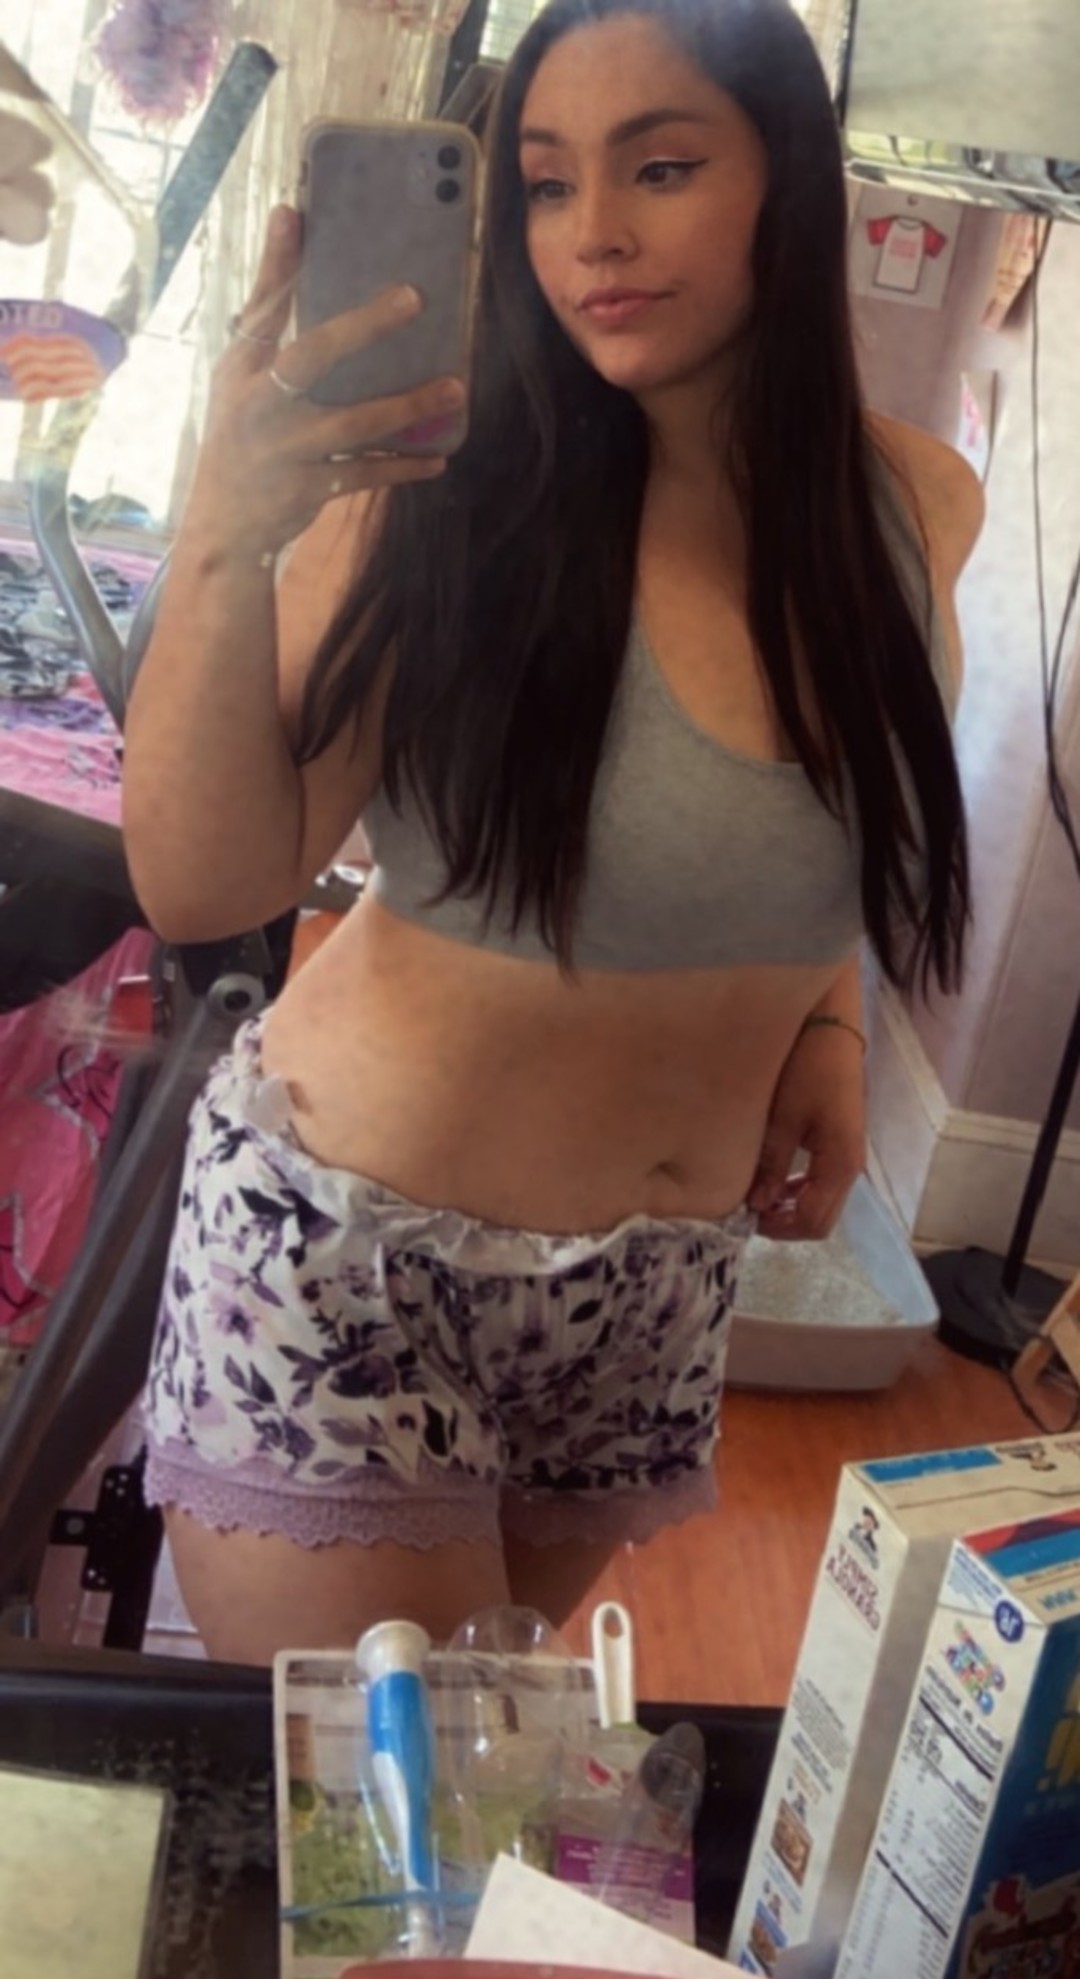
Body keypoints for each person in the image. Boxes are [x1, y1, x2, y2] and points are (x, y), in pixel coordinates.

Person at [123, 0, 985, 1665]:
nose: (590, 233)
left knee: (498, 1756)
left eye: (658, 168)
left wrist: (826, 1024)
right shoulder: (433, 493)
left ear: (788, 181)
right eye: (541, 181)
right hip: (357, 1263)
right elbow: (205, 879)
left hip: (652, 1300)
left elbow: (815, 814)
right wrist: (224, 541)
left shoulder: (916, 506)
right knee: (418, 1817)